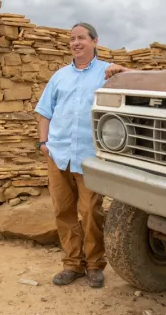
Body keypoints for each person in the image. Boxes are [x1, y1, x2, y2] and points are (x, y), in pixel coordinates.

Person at [34, 22, 128, 288]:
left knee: (90, 211)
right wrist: (44, 143)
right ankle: (72, 264)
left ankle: (95, 264)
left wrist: (123, 71)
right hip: (58, 152)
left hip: (90, 155)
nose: (75, 43)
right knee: (63, 210)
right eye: (72, 39)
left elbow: (139, 83)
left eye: (81, 38)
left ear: (95, 41)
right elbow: (44, 111)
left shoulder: (107, 72)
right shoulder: (60, 76)